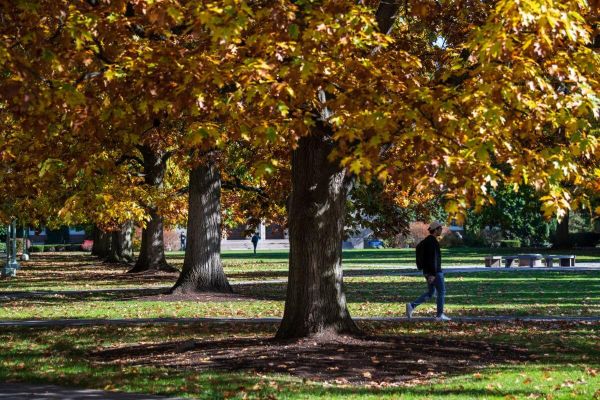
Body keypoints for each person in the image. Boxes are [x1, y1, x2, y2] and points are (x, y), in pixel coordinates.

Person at [406, 221, 451, 321]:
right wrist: (432, 274)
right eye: (440, 229)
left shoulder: (426, 241)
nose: (441, 230)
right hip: (435, 272)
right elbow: (432, 259)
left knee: (431, 293)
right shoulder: (432, 242)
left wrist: (423, 268)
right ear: (435, 230)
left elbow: (419, 250)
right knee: (441, 291)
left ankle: (412, 306)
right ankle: (440, 315)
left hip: (428, 271)